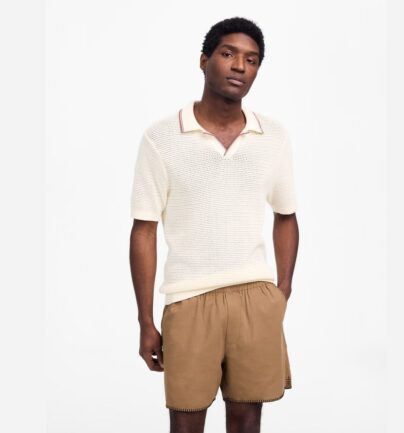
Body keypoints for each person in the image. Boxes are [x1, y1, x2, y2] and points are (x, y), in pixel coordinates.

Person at [129, 16, 299, 433]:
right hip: (189, 302)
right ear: (204, 60)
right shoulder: (161, 138)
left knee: (247, 422)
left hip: (255, 300)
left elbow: (286, 216)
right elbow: (144, 230)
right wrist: (145, 320)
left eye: (252, 60)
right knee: (186, 424)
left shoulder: (273, 137)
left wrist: (282, 290)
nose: (240, 66)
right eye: (228, 54)